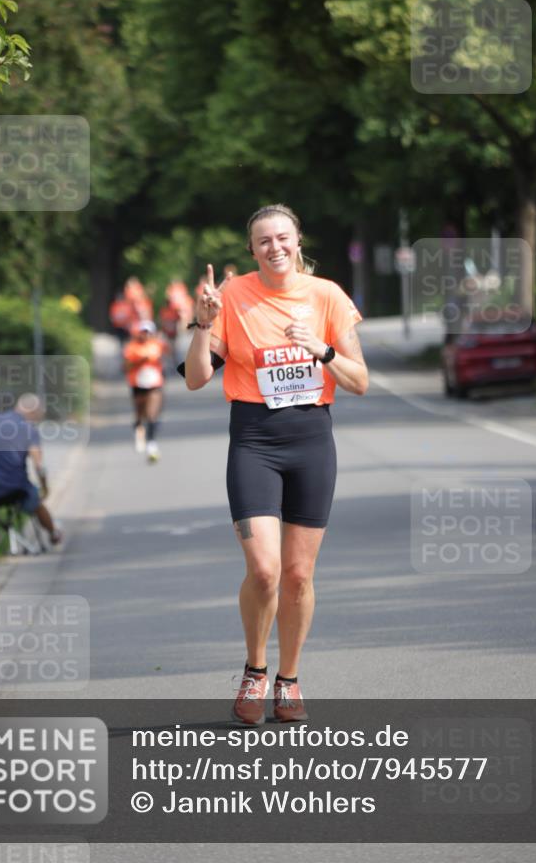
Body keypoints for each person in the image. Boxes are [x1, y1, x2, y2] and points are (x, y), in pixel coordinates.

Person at [182, 203, 368, 725]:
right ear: (252, 250)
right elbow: (197, 377)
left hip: (312, 442)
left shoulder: (327, 295)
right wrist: (203, 323)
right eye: (263, 241)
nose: (275, 248)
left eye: (282, 237)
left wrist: (323, 350)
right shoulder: (234, 297)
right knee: (264, 571)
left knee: (298, 575)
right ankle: (255, 669)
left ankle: (289, 678)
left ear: (298, 240)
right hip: (254, 443)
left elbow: (360, 381)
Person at [0, 394, 62, 547]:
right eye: (38, 417)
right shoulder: (29, 430)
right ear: (33, 413)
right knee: (35, 499)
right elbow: (39, 467)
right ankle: (53, 533)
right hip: (17, 492)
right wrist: (45, 489)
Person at [123, 320, 166, 462]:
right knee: (140, 414)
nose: (145, 335)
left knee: (152, 414)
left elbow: (167, 352)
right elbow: (126, 366)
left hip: (154, 383)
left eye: (148, 332)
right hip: (138, 384)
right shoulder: (132, 347)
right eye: (143, 332)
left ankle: (151, 444)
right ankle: (138, 432)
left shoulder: (157, 345)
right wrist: (141, 361)